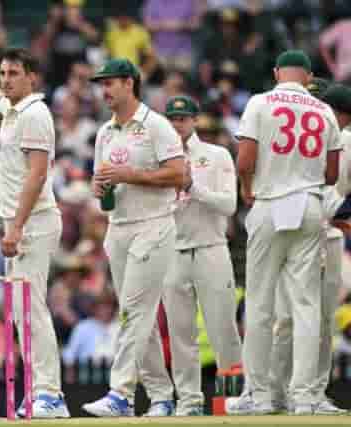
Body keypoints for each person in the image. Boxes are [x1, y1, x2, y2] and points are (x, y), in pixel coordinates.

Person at [0, 8, 69, 417]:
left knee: (31, 307)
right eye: (5, 73)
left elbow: (38, 175)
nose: (5, 79)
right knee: (24, 309)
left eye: (14, 73)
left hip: (33, 221)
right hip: (20, 223)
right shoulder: (13, 111)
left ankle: (50, 394)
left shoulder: (35, 114)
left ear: (32, 77)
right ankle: (42, 390)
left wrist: (15, 227)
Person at [227, 50, 341, 415]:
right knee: (307, 305)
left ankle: (258, 395)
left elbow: (244, 160)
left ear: (277, 73)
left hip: (269, 202)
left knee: (260, 302)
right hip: (308, 205)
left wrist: (248, 187)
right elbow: (332, 175)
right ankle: (305, 396)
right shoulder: (324, 111)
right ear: (308, 77)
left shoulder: (260, 103)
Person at [81, 58, 186, 417]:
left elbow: (178, 173)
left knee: (133, 312)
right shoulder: (105, 133)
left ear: (130, 83)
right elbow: (103, 182)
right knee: (140, 320)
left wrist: (131, 174)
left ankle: (120, 394)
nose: (104, 90)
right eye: (101, 84)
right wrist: (99, 186)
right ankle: (161, 397)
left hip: (154, 224)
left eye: (110, 83)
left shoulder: (156, 126)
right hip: (119, 227)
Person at [141, 96, 241, 416]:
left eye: (183, 118)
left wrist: (192, 187)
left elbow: (229, 205)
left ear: (195, 120)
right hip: (173, 252)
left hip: (211, 248)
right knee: (181, 333)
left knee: (222, 328)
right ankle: (189, 401)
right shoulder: (157, 161)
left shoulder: (216, 155)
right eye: (172, 119)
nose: (177, 124)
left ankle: (232, 400)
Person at [267, 81, 351, 415]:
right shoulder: (300, 135)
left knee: (320, 318)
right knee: (290, 317)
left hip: (326, 234)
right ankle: (281, 392)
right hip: (298, 229)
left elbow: (342, 192)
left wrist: (342, 215)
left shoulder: (344, 139)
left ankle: (311, 393)